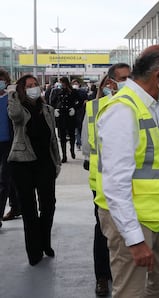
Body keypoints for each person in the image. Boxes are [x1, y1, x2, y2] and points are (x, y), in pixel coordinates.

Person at [94, 45, 159, 297]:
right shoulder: (123, 110)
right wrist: (134, 239)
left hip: (156, 215)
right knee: (130, 290)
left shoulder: (151, 107)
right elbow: (115, 183)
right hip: (131, 218)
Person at [82, 63, 131, 297]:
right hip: (100, 183)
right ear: (110, 82)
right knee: (102, 232)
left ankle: (117, 272)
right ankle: (102, 276)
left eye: (130, 78)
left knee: (125, 231)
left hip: (128, 182)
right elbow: (86, 146)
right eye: (123, 78)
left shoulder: (134, 107)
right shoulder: (93, 108)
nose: (127, 82)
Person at [7, 74, 61, 266]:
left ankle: (45, 242)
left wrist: (57, 161)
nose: (33, 88)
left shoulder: (47, 109)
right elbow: (14, 115)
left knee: (48, 205)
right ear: (22, 89)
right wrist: (12, 95)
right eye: (28, 85)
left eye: (35, 84)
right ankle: (34, 251)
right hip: (22, 163)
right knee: (29, 210)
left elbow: (52, 138)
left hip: (45, 163)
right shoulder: (19, 109)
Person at [0, 69, 20, 228]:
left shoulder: (12, 97)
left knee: (3, 179)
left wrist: (13, 96)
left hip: (10, 143)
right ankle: (16, 206)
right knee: (10, 177)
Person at [50, 77, 79, 163]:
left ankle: (72, 150)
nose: (61, 84)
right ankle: (64, 155)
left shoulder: (73, 91)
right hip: (61, 115)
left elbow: (79, 101)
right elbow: (52, 101)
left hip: (70, 115)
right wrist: (55, 109)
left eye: (62, 82)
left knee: (71, 134)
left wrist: (74, 108)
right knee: (62, 136)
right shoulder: (57, 91)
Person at [71, 79, 88, 151]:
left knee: (80, 129)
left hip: (82, 112)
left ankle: (80, 142)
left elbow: (86, 101)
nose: (75, 85)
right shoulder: (71, 92)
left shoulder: (83, 92)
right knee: (76, 129)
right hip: (74, 113)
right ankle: (78, 143)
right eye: (74, 83)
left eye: (76, 83)